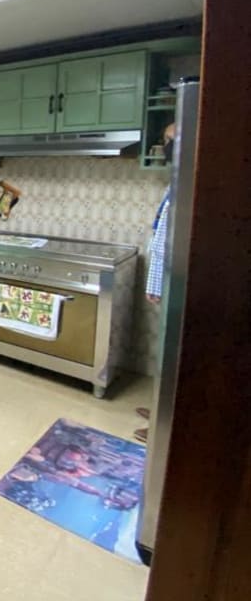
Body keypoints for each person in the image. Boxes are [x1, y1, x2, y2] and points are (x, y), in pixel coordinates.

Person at [136, 123, 177, 443]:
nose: (164, 146)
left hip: (178, 279)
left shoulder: (191, 180)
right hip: (168, 277)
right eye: (164, 140)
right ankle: (164, 409)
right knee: (169, 351)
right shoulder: (178, 181)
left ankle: (167, 424)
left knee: (177, 352)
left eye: (168, 141)